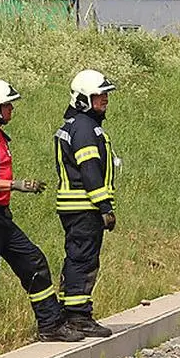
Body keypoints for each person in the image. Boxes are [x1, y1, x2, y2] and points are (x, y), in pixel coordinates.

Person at [0, 78, 84, 343]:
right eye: (7, 105)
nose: (11, 110)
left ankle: (51, 325)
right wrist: (15, 185)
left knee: (33, 262)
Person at [53, 70, 120, 338]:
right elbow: (89, 169)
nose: (105, 99)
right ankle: (77, 317)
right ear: (82, 99)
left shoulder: (79, 125)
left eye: (105, 94)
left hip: (77, 206)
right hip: (83, 206)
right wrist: (105, 206)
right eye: (99, 95)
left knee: (78, 258)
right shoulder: (84, 127)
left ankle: (72, 312)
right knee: (83, 260)